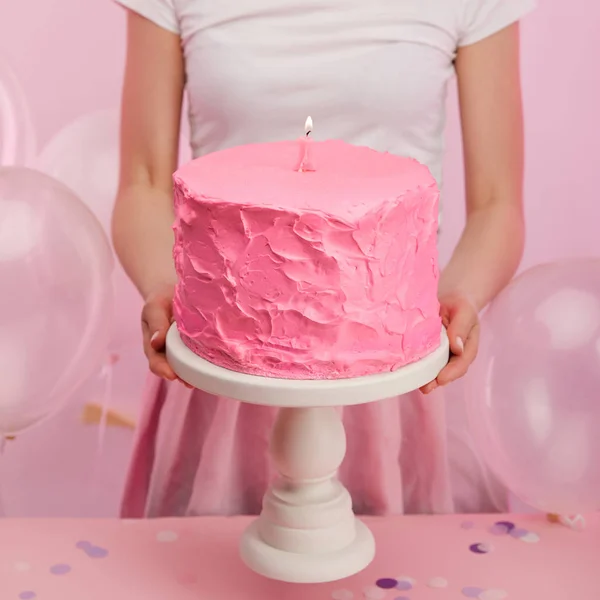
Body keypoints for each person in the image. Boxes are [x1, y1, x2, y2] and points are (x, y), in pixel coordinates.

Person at [112, 0, 533, 517]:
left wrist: (461, 297)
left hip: (398, 363)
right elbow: (143, 182)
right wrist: (162, 285)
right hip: (223, 357)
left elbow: (498, 205)